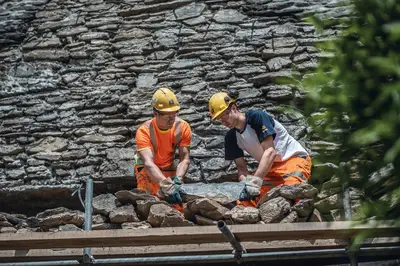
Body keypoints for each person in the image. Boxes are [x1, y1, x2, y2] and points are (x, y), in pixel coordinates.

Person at [208, 91, 312, 207]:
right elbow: (242, 169)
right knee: (245, 201)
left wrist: (255, 182)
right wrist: (246, 186)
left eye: (224, 115)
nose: (223, 121)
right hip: (270, 168)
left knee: (292, 190)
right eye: (219, 119)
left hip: (293, 159)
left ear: (233, 108)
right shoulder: (231, 137)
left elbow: (270, 152)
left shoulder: (257, 117)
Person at [135, 88, 191, 211]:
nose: (172, 120)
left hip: (168, 168)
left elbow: (184, 159)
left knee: (177, 206)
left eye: (174, 115)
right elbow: (148, 163)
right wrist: (165, 184)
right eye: (168, 117)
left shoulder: (182, 127)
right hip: (147, 171)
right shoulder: (144, 131)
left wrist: (178, 179)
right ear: (156, 113)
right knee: (149, 205)